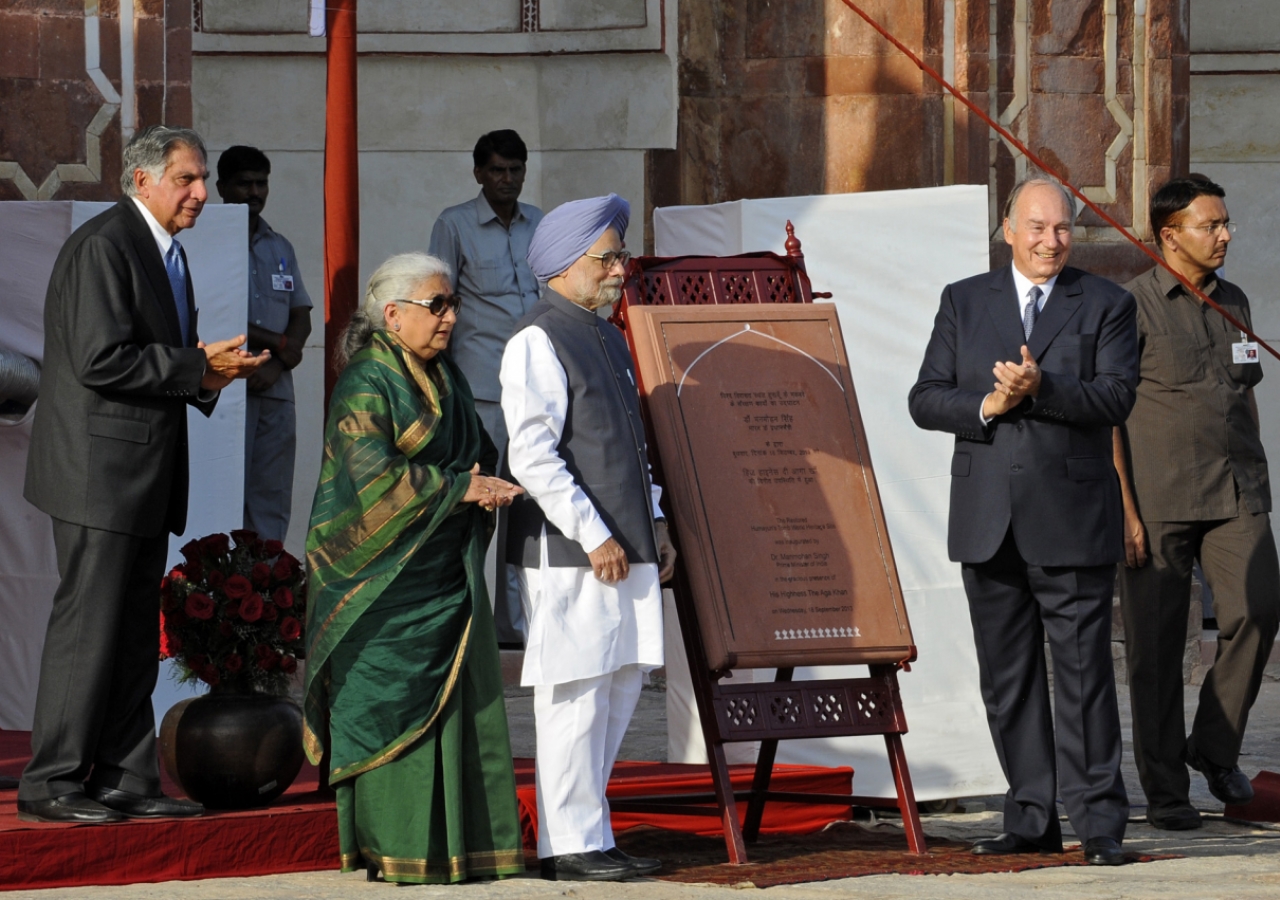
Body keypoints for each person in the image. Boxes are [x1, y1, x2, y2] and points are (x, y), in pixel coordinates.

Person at [18, 125, 268, 823]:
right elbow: (100, 359)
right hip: (99, 476)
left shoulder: (167, 253)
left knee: (131, 632)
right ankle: (51, 782)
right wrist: (198, 366)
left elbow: (154, 359)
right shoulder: (104, 246)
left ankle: (126, 777)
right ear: (141, 180)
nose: (200, 192)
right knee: (89, 628)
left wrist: (208, 375)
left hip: (141, 475)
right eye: (186, 179)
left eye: (202, 178)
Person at [908, 176, 1137, 866]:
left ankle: (1099, 825)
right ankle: (1030, 814)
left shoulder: (1107, 303)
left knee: (1083, 677)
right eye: (1036, 227)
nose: (1051, 240)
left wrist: (1044, 389)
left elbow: (1116, 397)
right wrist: (990, 406)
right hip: (987, 521)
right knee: (1008, 681)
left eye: (1062, 228)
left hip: (1070, 520)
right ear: (1007, 231)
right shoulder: (963, 300)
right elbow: (926, 398)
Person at [303, 252, 525, 885]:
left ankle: (462, 846)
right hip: (380, 588)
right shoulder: (366, 382)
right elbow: (369, 480)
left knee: (460, 713)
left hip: (446, 575)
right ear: (392, 314)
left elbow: (476, 451)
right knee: (387, 705)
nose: (451, 317)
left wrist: (489, 482)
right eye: (438, 306)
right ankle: (394, 848)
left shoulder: (446, 377)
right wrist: (461, 490)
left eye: (453, 304)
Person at [501, 194, 677, 882]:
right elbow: (533, 456)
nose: (618, 269)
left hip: (627, 545)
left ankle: (592, 833)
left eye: (619, 256)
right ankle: (566, 844)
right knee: (575, 697)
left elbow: (634, 448)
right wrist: (594, 533)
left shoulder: (606, 335)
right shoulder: (536, 339)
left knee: (621, 686)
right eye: (607, 257)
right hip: (575, 553)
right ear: (565, 265)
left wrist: (656, 524)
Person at [1112, 175, 1279, 828]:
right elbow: (1110, 417)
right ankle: (1165, 792)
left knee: (1261, 608)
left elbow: (1247, 391)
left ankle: (1213, 748)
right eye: (1210, 225)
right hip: (1159, 501)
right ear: (1168, 236)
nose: (1225, 235)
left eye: (1226, 222)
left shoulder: (1233, 298)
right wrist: (1125, 509)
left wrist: (1259, 477)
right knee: (1155, 651)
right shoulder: (1130, 309)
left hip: (1237, 493)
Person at [430, 129, 543, 645]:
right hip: (479, 388)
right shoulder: (454, 224)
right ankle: (466, 620)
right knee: (477, 506)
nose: (507, 180)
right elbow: (440, 304)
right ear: (478, 172)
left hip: (537, 385)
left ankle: (513, 625)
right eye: (497, 170)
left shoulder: (539, 222)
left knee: (527, 503)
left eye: (515, 170)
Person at [215, 146, 313, 544]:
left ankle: (267, 592)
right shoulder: (206, 240)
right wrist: (277, 342)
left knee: (270, 500)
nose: (254, 191)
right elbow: (210, 313)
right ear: (221, 187)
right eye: (244, 183)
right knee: (223, 497)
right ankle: (216, 592)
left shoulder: (280, 246)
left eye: (261, 183)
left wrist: (276, 361)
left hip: (273, 389)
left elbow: (301, 314)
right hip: (223, 388)